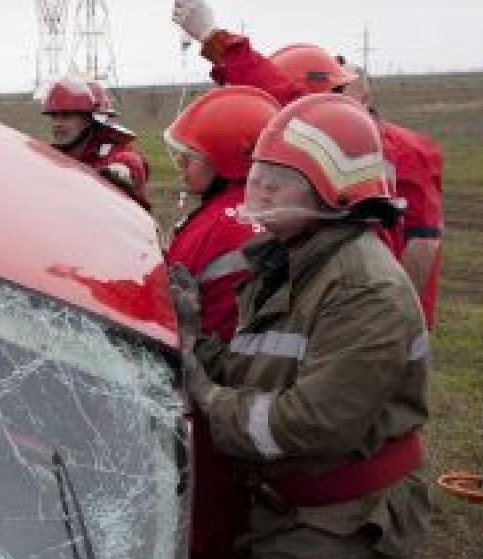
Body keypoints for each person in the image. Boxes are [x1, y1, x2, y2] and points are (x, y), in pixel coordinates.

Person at [171, 94, 431, 559]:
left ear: (336, 195)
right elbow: (256, 375)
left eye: (281, 180)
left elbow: (310, 424)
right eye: (258, 174)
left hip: (342, 521)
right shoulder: (289, 262)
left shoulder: (364, 289)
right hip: (295, 506)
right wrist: (193, 341)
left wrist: (206, 394)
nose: (259, 190)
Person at [172, 0, 444, 330]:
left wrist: (394, 319)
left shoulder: (384, 146)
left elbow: (422, 244)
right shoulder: (358, 144)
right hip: (342, 299)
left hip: (367, 309)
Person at [162, 85, 281, 559]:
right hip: (251, 391)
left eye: (194, 154)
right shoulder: (258, 214)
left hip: (208, 392)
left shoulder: (215, 225)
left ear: (231, 158)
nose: (182, 163)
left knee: (203, 524)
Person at [41, 77, 152, 211]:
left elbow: (131, 161)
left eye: (66, 115)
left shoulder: (114, 155)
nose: (57, 124)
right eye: (54, 115)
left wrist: (120, 172)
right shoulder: (49, 156)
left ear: (90, 120)